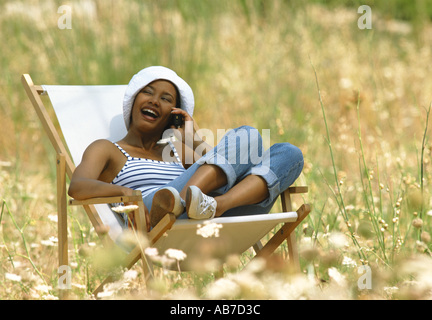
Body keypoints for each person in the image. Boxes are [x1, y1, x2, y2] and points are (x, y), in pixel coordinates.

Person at [68, 66, 304, 230]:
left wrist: (193, 139)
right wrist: (128, 194)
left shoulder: (177, 151)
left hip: (207, 218)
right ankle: (175, 204)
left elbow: (228, 169)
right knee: (250, 135)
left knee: (289, 154)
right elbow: (77, 186)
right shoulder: (108, 149)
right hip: (152, 214)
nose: (154, 101)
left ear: (174, 116)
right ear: (132, 103)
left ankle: (215, 206)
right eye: (148, 93)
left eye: (166, 99)